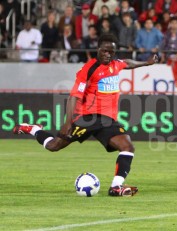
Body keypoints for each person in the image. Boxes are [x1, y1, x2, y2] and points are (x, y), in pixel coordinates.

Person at [13, 33, 159, 197]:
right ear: (98, 49)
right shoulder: (88, 69)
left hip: (107, 120)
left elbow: (127, 63)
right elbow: (73, 96)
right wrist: (68, 122)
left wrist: (146, 63)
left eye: (111, 52)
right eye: (104, 51)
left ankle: (116, 187)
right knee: (54, 146)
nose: (108, 55)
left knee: (127, 147)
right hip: (87, 118)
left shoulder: (115, 64)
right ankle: (33, 129)